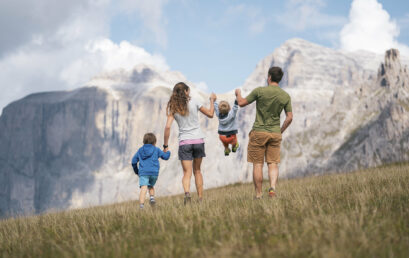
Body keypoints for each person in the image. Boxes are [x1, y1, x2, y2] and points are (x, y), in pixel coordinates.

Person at [235, 66, 293, 198]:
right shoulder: (285, 96)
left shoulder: (260, 91)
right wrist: (280, 130)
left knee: (258, 164)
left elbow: (241, 103)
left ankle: (259, 195)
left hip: (259, 133)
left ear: (269, 77)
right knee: (273, 163)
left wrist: (238, 93)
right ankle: (272, 188)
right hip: (275, 133)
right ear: (280, 79)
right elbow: (290, 117)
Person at [163, 82, 216, 204]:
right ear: (186, 91)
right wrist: (212, 100)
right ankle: (200, 198)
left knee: (187, 173)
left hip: (184, 143)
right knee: (197, 171)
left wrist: (165, 146)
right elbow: (210, 114)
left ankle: (187, 194)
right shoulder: (195, 102)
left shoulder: (173, 108)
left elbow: (167, 127)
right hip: (198, 140)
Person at [131, 133, 171, 209]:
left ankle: (141, 206)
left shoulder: (140, 150)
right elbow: (166, 157)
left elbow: (133, 161)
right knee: (151, 186)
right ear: (154, 142)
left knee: (144, 188)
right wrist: (168, 152)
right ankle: (152, 198)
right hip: (154, 173)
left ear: (144, 141)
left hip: (143, 173)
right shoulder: (156, 149)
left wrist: (137, 171)